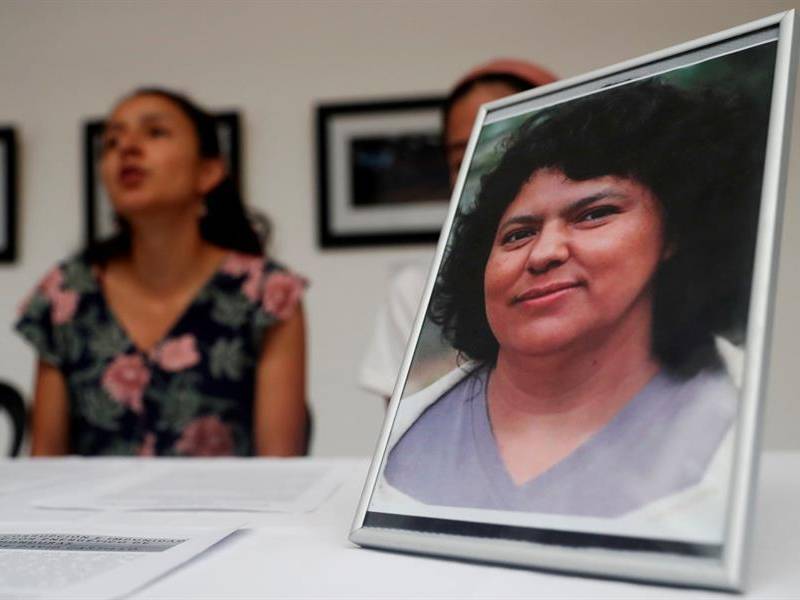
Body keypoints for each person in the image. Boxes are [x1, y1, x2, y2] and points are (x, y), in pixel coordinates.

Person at [382, 79, 765, 519]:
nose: (543, 253)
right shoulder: (407, 441)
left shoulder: (728, 423)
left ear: (674, 234)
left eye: (594, 214)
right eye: (518, 234)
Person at [16, 88, 309, 457]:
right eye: (111, 141)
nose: (127, 147)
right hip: (88, 515)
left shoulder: (268, 293)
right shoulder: (66, 293)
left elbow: (279, 467)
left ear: (208, 171)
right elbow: (46, 462)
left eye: (155, 132)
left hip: (228, 515)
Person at [358, 59, 557, 400]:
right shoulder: (416, 289)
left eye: (501, 146)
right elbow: (408, 432)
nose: (476, 175)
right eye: (458, 160)